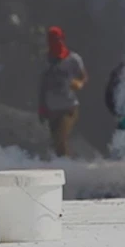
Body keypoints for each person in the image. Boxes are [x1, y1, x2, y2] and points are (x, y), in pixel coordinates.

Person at [38, 26, 87, 158]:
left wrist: (79, 84)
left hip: (69, 107)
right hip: (52, 108)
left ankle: (67, 167)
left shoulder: (73, 59)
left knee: (60, 138)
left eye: (58, 39)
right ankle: (69, 164)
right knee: (56, 144)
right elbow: (43, 86)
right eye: (52, 40)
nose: (56, 42)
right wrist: (42, 108)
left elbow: (83, 77)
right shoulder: (45, 60)